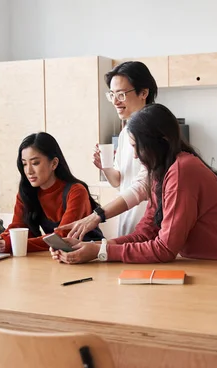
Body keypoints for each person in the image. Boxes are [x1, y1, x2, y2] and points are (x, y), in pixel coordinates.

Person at [51, 104, 217, 264]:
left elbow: (164, 249)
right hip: (201, 265)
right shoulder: (161, 172)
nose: (134, 155)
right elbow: (145, 233)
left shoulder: (183, 170)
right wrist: (94, 246)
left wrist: (101, 251)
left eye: (136, 146)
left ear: (160, 142)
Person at [59, 61, 158, 240]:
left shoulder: (154, 132)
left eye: (120, 94)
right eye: (111, 94)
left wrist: (97, 215)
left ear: (143, 92)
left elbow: (145, 185)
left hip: (150, 223)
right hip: (127, 217)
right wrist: (105, 167)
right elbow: (119, 181)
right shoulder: (124, 133)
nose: (114, 101)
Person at [0, 132, 103, 254]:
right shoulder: (27, 192)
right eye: (24, 164)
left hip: (92, 256)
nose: (28, 171)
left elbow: (61, 238)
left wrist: (11, 244)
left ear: (54, 163)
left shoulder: (77, 191)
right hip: (59, 257)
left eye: (35, 163)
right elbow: (18, 228)